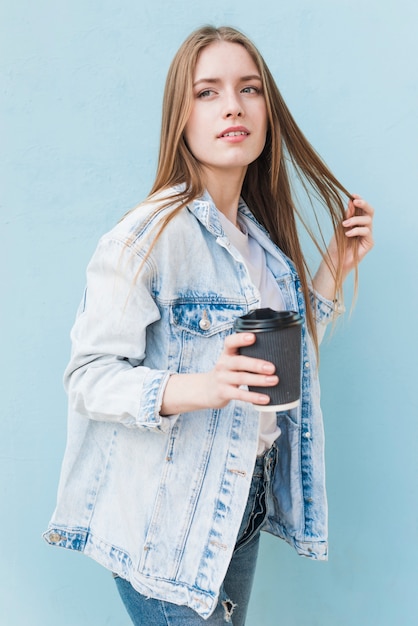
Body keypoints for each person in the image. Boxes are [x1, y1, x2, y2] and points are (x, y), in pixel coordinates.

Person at [44, 25, 374, 625]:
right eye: (208, 92)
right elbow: (88, 377)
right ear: (181, 117)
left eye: (249, 89)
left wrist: (333, 268)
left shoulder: (262, 244)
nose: (233, 105)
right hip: (166, 526)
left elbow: (282, 360)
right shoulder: (149, 237)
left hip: (235, 507)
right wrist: (204, 388)